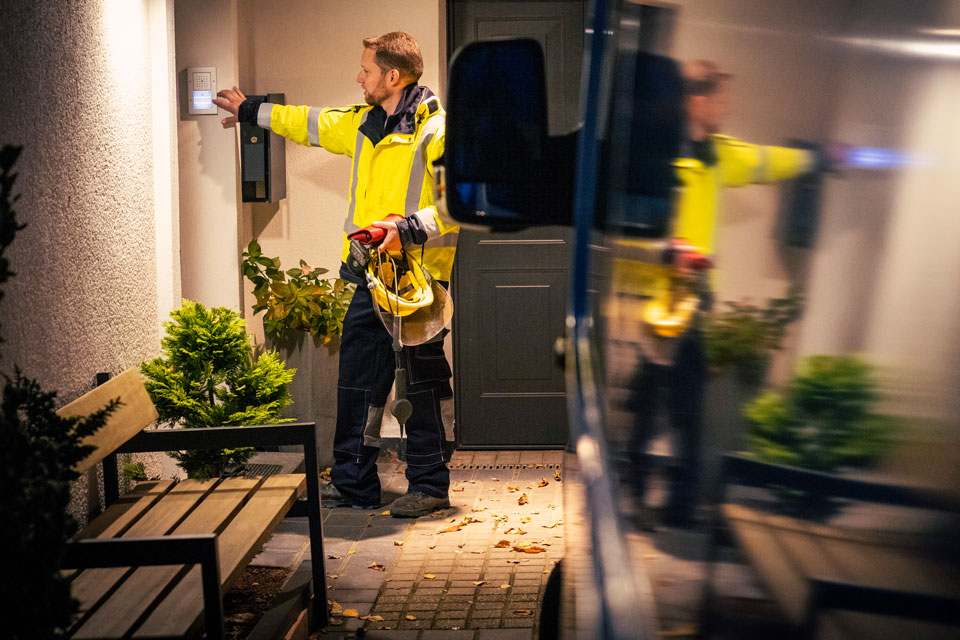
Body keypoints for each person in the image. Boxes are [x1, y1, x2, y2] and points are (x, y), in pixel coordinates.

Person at [214, 32, 458, 517]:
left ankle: (429, 486)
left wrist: (406, 229)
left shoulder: (438, 131)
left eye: (366, 70)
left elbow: (458, 205)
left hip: (418, 285)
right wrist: (249, 111)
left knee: (422, 384)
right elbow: (308, 122)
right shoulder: (364, 122)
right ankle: (354, 483)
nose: (358, 77)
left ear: (393, 75)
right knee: (358, 383)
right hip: (370, 277)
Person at [626, 59, 829, 527]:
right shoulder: (657, 157)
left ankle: (680, 503)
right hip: (655, 303)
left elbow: (765, 161)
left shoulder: (717, 154)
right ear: (695, 99)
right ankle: (637, 493)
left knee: (687, 404)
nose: (726, 107)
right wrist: (667, 250)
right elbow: (632, 223)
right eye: (720, 97)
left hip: (695, 301)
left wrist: (819, 158)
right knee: (649, 402)